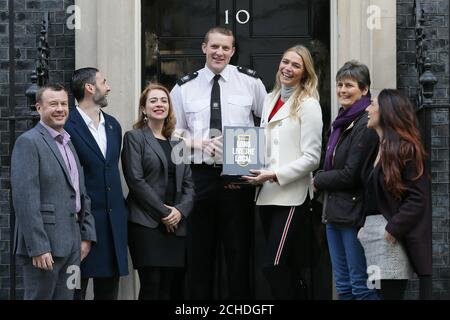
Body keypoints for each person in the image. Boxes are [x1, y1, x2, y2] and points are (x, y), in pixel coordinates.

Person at [170, 26, 267, 299]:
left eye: (226, 48)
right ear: (204, 48)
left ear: (233, 51)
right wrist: (197, 143)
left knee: (238, 254)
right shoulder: (184, 86)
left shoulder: (250, 82)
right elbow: (172, 131)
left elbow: (270, 121)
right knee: (199, 254)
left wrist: (256, 156)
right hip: (198, 176)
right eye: (214, 46)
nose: (219, 52)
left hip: (238, 176)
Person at [242, 45, 323, 299]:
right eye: (285, 62)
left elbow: (312, 158)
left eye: (296, 65)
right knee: (283, 265)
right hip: (265, 195)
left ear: (304, 73)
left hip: (291, 196)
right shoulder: (268, 99)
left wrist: (274, 174)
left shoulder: (309, 105)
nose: (288, 68)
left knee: (273, 265)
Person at [11, 84, 96, 300]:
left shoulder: (68, 143)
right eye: (53, 104)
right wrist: (38, 247)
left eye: (63, 104)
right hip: (45, 248)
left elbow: (80, 193)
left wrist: (86, 236)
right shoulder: (28, 142)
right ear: (39, 108)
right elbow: (25, 199)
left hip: (73, 247)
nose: (60, 109)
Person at [313, 60, 380, 300]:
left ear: (364, 89)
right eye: (340, 84)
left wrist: (318, 179)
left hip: (354, 215)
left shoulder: (365, 123)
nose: (342, 90)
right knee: (343, 286)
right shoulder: (341, 123)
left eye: (349, 85)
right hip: (334, 212)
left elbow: (351, 174)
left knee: (361, 287)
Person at [122, 83, 195, 300]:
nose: (159, 104)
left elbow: (189, 185)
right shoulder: (134, 137)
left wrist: (179, 212)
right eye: (153, 100)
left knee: (169, 286)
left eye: (164, 100)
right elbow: (135, 180)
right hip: (147, 223)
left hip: (176, 224)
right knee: (152, 284)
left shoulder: (179, 144)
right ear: (144, 108)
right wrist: (164, 212)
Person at [360, 89, 432, 300]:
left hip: (390, 236)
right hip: (372, 235)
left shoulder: (407, 149)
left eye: (372, 104)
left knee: (390, 296)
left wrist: (392, 229)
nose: (367, 108)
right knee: (376, 294)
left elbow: (418, 198)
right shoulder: (377, 148)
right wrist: (363, 228)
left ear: (386, 112)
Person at [65, 68, 128, 300]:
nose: (108, 87)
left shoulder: (113, 126)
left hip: (112, 225)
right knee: (74, 292)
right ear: (90, 88)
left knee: (108, 294)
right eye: (104, 82)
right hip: (82, 225)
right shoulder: (67, 126)